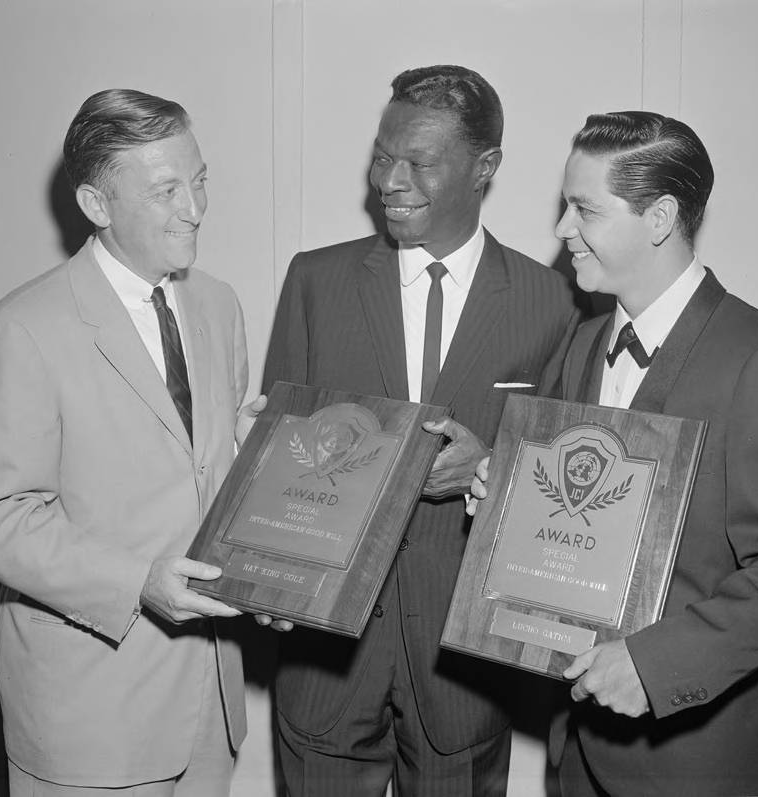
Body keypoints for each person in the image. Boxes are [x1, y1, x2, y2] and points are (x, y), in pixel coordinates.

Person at [472, 110, 758, 795]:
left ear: (661, 217)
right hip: (576, 751)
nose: (560, 229)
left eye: (584, 208)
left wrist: (653, 664)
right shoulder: (579, 342)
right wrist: (503, 497)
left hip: (695, 762)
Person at [259, 64, 578, 795]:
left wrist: (489, 467)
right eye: (381, 155)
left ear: (485, 166)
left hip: (464, 677)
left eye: (420, 163)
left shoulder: (554, 300)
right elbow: (275, 465)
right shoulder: (316, 281)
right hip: (323, 667)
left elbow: (561, 492)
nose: (389, 180)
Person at [0, 89, 253, 795]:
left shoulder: (218, 304)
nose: (196, 208)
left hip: (209, 708)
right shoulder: (20, 330)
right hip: (90, 721)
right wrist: (135, 581)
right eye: (167, 190)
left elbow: (199, 466)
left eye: (200, 179)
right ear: (96, 205)